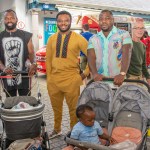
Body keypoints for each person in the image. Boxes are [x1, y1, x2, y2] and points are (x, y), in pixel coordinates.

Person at [46, 11, 89, 138]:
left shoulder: (78, 38)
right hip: (54, 81)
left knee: (73, 110)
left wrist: (84, 74)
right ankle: (57, 129)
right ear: (57, 22)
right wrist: (49, 79)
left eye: (66, 20)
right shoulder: (52, 39)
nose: (63, 23)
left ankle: (74, 133)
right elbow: (48, 60)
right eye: (60, 21)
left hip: (71, 79)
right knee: (56, 108)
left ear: (70, 22)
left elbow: (92, 56)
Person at [87, 10, 132, 86]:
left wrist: (122, 74)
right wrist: (95, 74)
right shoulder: (93, 38)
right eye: (101, 19)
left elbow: (127, 53)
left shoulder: (124, 34)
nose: (103, 21)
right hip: (100, 82)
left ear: (112, 20)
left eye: (107, 18)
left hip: (118, 82)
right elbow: (91, 58)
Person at [0, 9, 36, 97]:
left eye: (12, 18)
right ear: (3, 20)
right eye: (6, 18)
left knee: (25, 101)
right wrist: (4, 68)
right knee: (11, 101)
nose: (9, 20)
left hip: (24, 74)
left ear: (16, 19)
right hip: (7, 75)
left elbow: (31, 52)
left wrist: (33, 64)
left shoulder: (26, 35)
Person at [127, 20, 150, 85]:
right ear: (132, 29)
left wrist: (148, 78)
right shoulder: (127, 43)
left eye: (142, 28)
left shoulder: (143, 46)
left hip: (140, 79)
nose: (140, 30)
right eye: (137, 28)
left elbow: (143, 65)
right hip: (129, 79)